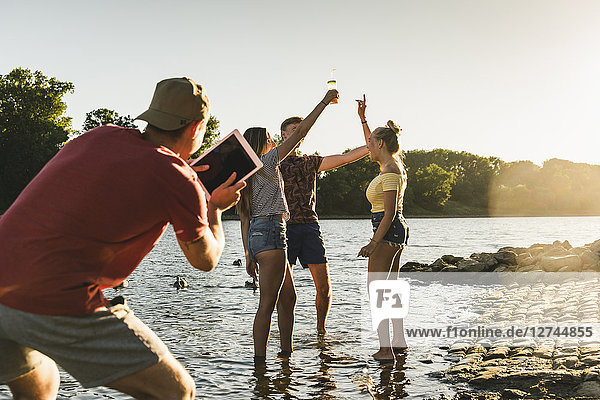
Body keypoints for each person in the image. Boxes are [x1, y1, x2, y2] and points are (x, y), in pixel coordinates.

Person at [0, 77, 245, 399]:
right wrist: (213, 207)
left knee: (39, 382)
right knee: (175, 392)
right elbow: (205, 260)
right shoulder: (178, 178)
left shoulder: (98, 136)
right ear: (197, 127)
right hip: (52, 296)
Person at [237, 89, 339, 362]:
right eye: (269, 138)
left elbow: (244, 217)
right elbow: (301, 132)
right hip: (271, 233)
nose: (272, 141)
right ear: (262, 143)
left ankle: (286, 355)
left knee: (288, 298)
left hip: (259, 237)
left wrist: (248, 254)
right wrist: (324, 102)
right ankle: (260, 365)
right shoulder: (267, 162)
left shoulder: (246, 171)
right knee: (267, 303)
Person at [278, 113, 369, 334]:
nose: (300, 134)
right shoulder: (274, 161)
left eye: (303, 131)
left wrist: (372, 144)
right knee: (283, 291)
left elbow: (346, 157)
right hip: (282, 229)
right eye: (295, 130)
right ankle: (282, 334)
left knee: (325, 288)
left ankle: (321, 332)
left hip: (309, 227)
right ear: (284, 135)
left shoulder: (310, 162)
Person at [356, 95, 409, 361]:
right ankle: (399, 342)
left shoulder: (389, 171)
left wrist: (373, 243)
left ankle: (385, 349)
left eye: (370, 143)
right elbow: (373, 142)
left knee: (377, 291)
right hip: (396, 231)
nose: (367, 147)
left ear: (380, 144)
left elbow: (388, 213)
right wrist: (363, 118)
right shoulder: (392, 164)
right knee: (391, 289)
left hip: (387, 230)